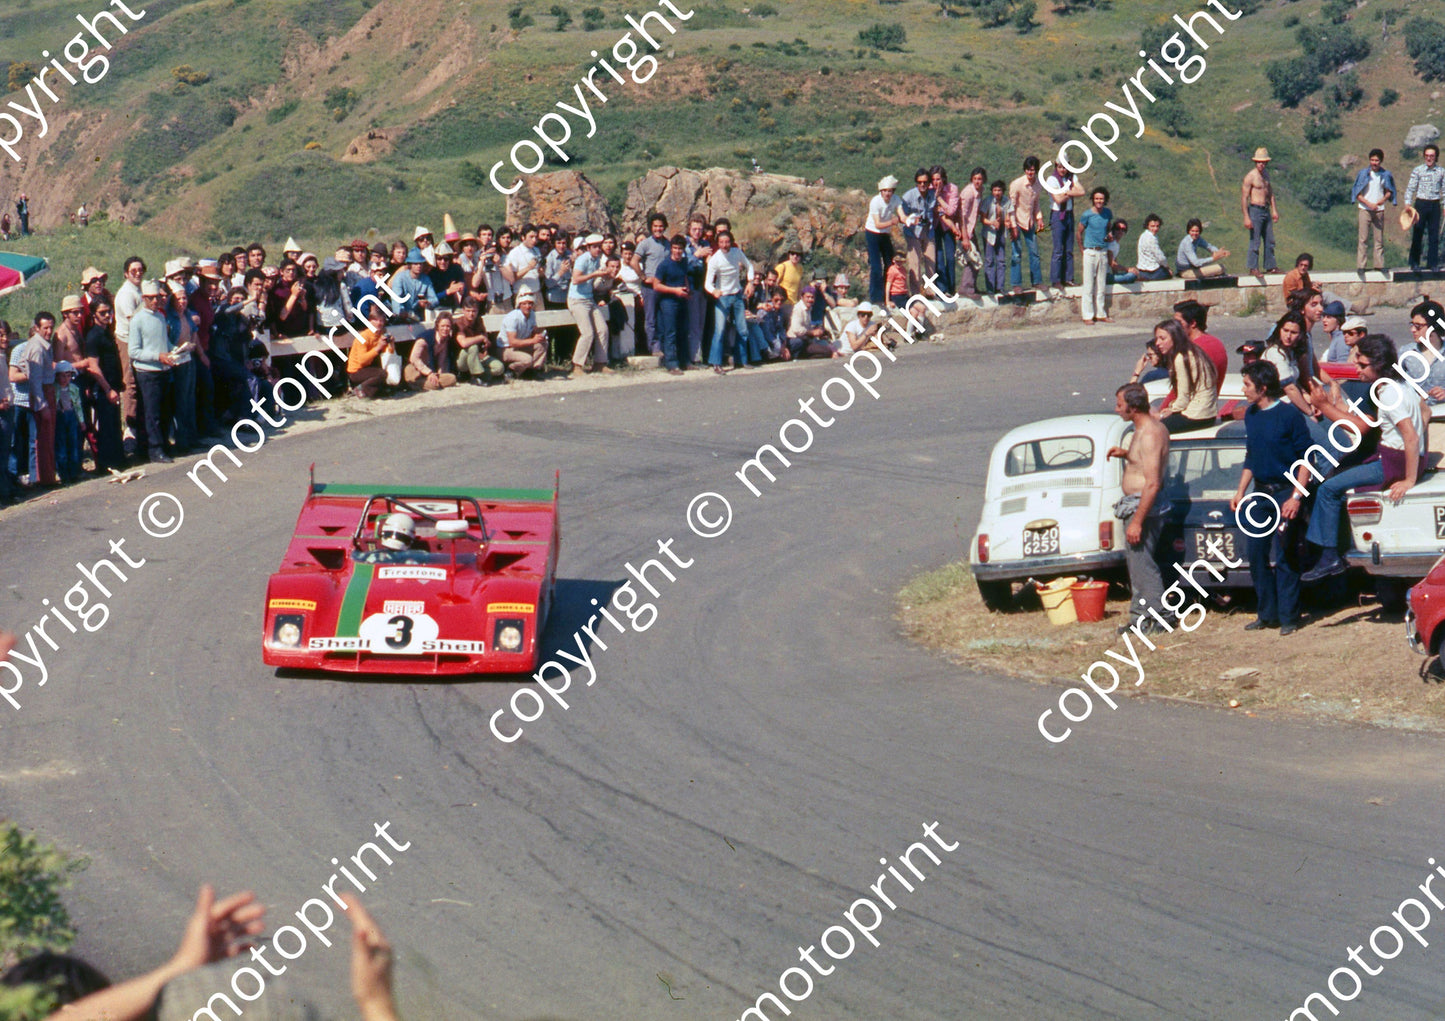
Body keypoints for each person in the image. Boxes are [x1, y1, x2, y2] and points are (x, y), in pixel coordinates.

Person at [1302, 334, 1423, 582]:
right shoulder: (1401, 385)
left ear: (1379, 364)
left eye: (1363, 365)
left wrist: (1410, 478)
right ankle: (1333, 551)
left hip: (1393, 461)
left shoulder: (1387, 393)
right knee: (1339, 476)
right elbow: (1426, 411)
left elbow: (1410, 436)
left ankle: (1329, 557)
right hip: (1396, 456)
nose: (1357, 369)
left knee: (1327, 489)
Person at [1231, 360, 1313, 635]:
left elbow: (1306, 459)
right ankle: (1266, 614)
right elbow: (1251, 456)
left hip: (1285, 493)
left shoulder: (1289, 416)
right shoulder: (1252, 415)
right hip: (1260, 494)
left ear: (1263, 387)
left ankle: (1289, 616)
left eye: (1247, 385)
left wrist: (1296, 498)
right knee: (1256, 555)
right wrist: (1241, 491)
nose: (1243, 390)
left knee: (1286, 554)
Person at [1106, 382, 1171, 634]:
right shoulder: (1144, 429)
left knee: (1143, 564)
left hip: (1142, 506)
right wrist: (1126, 454)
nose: (1116, 410)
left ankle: (1159, 615)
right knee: (1137, 564)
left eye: (1120, 405)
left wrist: (1137, 521)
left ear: (1133, 407)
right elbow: (1144, 460)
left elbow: (1153, 483)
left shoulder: (1150, 433)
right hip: (1137, 504)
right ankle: (1142, 616)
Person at [129, 281, 175, 463]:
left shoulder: (161, 317)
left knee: (164, 410)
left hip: (163, 369)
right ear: (144, 299)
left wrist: (176, 350)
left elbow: (165, 343)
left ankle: (163, 444)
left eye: (157, 297)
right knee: (151, 412)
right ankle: (154, 449)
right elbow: (133, 351)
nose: (155, 301)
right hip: (147, 372)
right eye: (151, 298)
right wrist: (158, 356)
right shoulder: (137, 320)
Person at [1152, 319, 1218, 433]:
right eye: (1157, 339)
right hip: (1208, 414)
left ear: (1175, 337)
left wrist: (1169, 411)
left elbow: (1183, 397)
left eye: (1162, 339)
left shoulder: (1181, 358)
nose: (1157, 343)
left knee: (1153, 429)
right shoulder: (1193, 351)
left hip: (1197, 415)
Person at [81, 301, 124, 470]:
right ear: (94, 315)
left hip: (113, 385)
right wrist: (107, 389)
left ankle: (118, 460)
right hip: (103, 388)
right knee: (106, 426)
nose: (107, 315)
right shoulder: (94, 336)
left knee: (114, 424)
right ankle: (107, 464)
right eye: (102, 312)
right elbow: (93, 366)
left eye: (109, 311)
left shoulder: (107, 332)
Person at [705, 228, 754, 373]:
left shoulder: (736, 253)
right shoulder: (715, 259)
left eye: (727, 242)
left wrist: (750, 282)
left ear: (731, 242)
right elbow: (707, 283)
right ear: (718, 243)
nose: (724, 245)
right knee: (719, 330)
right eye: (721, 242)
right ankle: (716, 363)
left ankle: (741, 360)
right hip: (722, 297)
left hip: (737, 294)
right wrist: (714, 291)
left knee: (742, 329)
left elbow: (749, 266)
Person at [568, 233, 613, 378]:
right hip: (577, 300)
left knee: (603, 329)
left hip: (589, 299)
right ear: (588, 247)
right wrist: (594, 275)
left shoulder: (597, 259)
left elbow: (593, 281)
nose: (598, 249)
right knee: (587, 333)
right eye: (595, 247)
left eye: (599, 247)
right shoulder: (583, 259)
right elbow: (576, 279)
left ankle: (600, 363)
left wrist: (604, 276)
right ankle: (577, 365)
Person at [649, 235, 692, 374]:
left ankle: (684, 361)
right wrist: (675, 291)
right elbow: (656, 285)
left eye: (680, 248)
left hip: (682, 299)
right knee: (670, 333)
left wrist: (687, 288)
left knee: (683, 331)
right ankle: (671, 364)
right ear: (671, 248)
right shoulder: (664, 265)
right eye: (675, 248)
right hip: (668, 301)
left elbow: (685, 276)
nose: (677, 251)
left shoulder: (684, 262)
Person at [1042, 159, 1085, 292]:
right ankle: (1056, 280)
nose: (1062, 170)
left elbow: (1081, 191)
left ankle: (1068, 278)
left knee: (1068, 247)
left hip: (1068, 214)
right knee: (1058, 249)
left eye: (1065, 167)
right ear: (1056, 167)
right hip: (1058, 214)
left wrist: (1065, 192)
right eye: (1060, 167)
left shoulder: (1072, 177)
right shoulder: (1052, 180)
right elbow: (1058, 199)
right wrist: (1070, 191)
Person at [1352, 148, 1397, 273]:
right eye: (1372, 160)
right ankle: (1361, 266)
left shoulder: (1385, 174)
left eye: (1376, 160)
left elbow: (1389, 191)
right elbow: (1358, 193)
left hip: (1379, 210)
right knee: (1363, 238)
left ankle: (1379, 265)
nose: (1374, 163)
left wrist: (1381, 201)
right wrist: (1369, 204)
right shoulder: (1363, 174)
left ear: (1380, 161)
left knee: (1379, 239)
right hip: (1365, 209)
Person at [1172, 300, 1228, 395]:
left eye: (1179, 323)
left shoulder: (1196, 348)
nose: (1174, 327)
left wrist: (1163, 408)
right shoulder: (1216, 343)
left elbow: (1182, 389)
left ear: (1193, 323)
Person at [1008, 157, 1046, 293]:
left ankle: (1037, 281)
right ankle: (1016, 284)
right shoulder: (1017, 184)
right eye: (1029, 170)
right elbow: (1010, 206)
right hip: (1016, 220)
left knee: (1034, 252)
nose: (1031, 173)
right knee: (1016, 253)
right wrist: (1012, 226)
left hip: (1029, 221)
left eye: (1033, 170)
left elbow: (1036, 204)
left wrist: (1039, 218)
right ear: (1025, 170)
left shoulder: (1038, 185)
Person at [1404, 143, 1444, 272]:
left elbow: (1444, 190)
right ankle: (1414, 262)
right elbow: (1410, 188)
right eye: (1427, 156)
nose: (1429, 158)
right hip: (1421, 204)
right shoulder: (1418, 170)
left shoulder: (1441, 172)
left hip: (1434, 204)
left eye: (1431, 156)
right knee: (1418, 233)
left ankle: (1432, 264)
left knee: (1434, 235)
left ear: (1436, 157)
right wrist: (1407, 203)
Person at [864, 176, 904, 304]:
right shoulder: (875, 202)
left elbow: (901, 214)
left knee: (890, 263)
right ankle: (876, 298)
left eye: (890, 191)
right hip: (872, 232)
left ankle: (890, 294)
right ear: (881, 191)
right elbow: (878, 224)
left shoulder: (896, 200)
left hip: (885, 233)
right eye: (885, 191)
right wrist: (892, 221)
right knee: (876, 266)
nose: (887, 193)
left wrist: (907, 219)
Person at [1076, 187, 1114, 324]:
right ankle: (1087, 316)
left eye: (1101, 199)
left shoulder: (1107, 213)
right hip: (1090, 252)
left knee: (1101, 285)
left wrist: (1109, 235)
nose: (1099, 201)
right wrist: (1082, 250)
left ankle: (1101, 314)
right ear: (1093, 199)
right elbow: (1079, 232)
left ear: (1105, 200)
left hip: (1102, 251)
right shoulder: (1087, 215)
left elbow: (1108, 228)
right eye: (1097, 198)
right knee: (1088, 285)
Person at [494, 288, 550, 380]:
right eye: (524, 304)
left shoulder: (532, 314)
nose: (527, 306)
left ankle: (531, 370)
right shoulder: (513, 317)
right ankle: (510, 370)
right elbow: (512, 342)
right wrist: (533, 340)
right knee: (527, 359)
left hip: (520, 346)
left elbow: (533, 332)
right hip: (505, 349)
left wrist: (539, 336)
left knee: (542, 344)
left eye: (530, 304)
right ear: (519, 305)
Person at [635, 213, 671, 354]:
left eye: (661, 226)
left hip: (664, 286)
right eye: (655, 226)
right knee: (651, 319)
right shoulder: (645, 243)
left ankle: (664, 346)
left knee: (663, 317)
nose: (658, 229)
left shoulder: (668, 244)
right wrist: (643, 277)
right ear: (651, 227)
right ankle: (654, 347)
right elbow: (634, 261)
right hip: (650, 287)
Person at [1241, 147, 1279, 275]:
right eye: (1259, 162)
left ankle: (1271, 266)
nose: (1261, 164)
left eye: (1263, 162)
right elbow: (1244, 197)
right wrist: (1246, 217)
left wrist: (1274, 210)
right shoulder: (1250, 177)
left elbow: (1270, 193)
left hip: (1265, 209)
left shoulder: (1266, 175)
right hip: (1255, 209)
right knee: (1255, 240)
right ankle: (1253, 267)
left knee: (1269, 239)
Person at [900, 168, 937, 296]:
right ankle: (916, 293)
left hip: (928, 231)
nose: (922, 185)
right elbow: (902, 216)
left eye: (925, 182)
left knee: (931, 262)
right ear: (916, 183)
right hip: (912, 232)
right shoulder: (908, 197)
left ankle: (930, 291)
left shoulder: (933, 195)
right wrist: (911, 219)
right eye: (920, 182)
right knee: (914, 264)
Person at [346, 303, 395, 398]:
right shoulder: (364, 336)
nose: (379, 323)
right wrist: (378, 347)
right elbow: (362, 361)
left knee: (387, 381)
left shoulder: (381, 333)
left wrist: (391, 343)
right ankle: (360, 389)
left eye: (381, 321)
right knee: (382, 374)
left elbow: (389, 353)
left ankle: (370, 391)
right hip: (356, 371)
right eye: (375, 320)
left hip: (369, 367)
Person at [936, 166, 969, 296]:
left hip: (948, 227)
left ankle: (951, 287)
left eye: (938, 179)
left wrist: (939, 198)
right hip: (935, 226)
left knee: (950, 258)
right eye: (933, 179)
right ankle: (942, 289)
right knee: (938, 258)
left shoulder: (952, 189)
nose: (936, 182)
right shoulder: (930, 189)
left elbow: (950, 211)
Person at [404, 312, 457, 390]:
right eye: (442, 326)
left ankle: (430, 383)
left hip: (431, 370)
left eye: (448, 326)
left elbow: (441, 362)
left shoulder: (446, 339)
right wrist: (429, 373)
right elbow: (414, 358)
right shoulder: (425, 339)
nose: (445, 329)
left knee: (452, 378)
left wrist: (438, 375)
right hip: (416, 369)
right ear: (437, 326)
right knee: (433, 385)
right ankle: (416, 384)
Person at [979, 180, 1010, 295]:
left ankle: (1000, 287)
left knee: (1001, 260)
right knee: (989, 260)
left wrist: (1006, 222)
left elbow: (1007, 215)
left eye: (999, 190)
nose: (997, 193)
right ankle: (990, 288)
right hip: (989, 232)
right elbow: (982, 219)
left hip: (1001, 231)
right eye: (995, 190)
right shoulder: (988, 201)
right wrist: (991, 222)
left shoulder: (1006, 201)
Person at [53, 361, 82, 482]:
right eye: (62, 376)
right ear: (57, 376)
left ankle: (74, 472)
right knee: (61, 445)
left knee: (73, 444)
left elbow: (78, 406)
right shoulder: (54, 389)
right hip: (59, 416)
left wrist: (82, 421)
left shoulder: (74, 389)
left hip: (71, 416)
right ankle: (63, 474)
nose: (65, 379)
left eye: (68, 376)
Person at [389, 249, 439, 318]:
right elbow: (396, 301)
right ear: (410, 265)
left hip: (418, 316)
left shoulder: (426, 279)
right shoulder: (400, 278)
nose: (419, 266)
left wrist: (427, 303)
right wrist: (402, 313)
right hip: (402, 317)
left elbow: (434, 300)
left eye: (421, 263)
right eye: (415, 264)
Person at [1133, 214, 1171, 281]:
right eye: (1152, 226)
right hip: (1152, 271)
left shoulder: (1143, 235)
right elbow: (1160, 257)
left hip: (1141, 270)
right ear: (1147, 226)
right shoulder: (1151, 238)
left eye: (1157, 226)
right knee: (1167, 273)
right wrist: (1167, 267)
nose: (1155, 229)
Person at [1105, 219, 1138, 285]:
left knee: (1134, 273)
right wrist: (1127, 269)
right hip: (1104, 276)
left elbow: (1115, 260)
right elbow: (1112, 263)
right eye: (1118, 228)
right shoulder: (1111, 243)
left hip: (1108, 274)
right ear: (1113, 230)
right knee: (1131, 276)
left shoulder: (1116, 244)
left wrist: (1116, 274)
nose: (1120, 231)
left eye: (1123, 229)